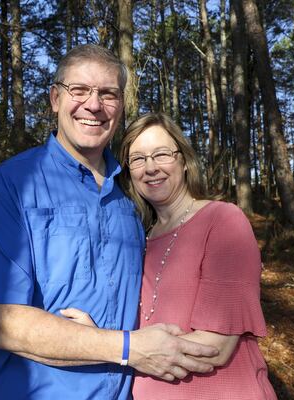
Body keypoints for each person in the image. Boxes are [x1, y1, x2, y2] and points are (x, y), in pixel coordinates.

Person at [0, 45, 218, 400]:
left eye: (107, 94)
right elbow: (0, 324)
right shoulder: (12, 186)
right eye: (79, 90)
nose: (93, 105)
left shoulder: (133, 193)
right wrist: (128, 348)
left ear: (121, 106)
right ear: (54, 98)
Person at [119, 112, 278, 399]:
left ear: (184, 161)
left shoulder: (223, 220)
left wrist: (124, 349)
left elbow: (214, 347)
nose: (151, 167)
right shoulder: (141, 238)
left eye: (162, 154)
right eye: (138, 159)